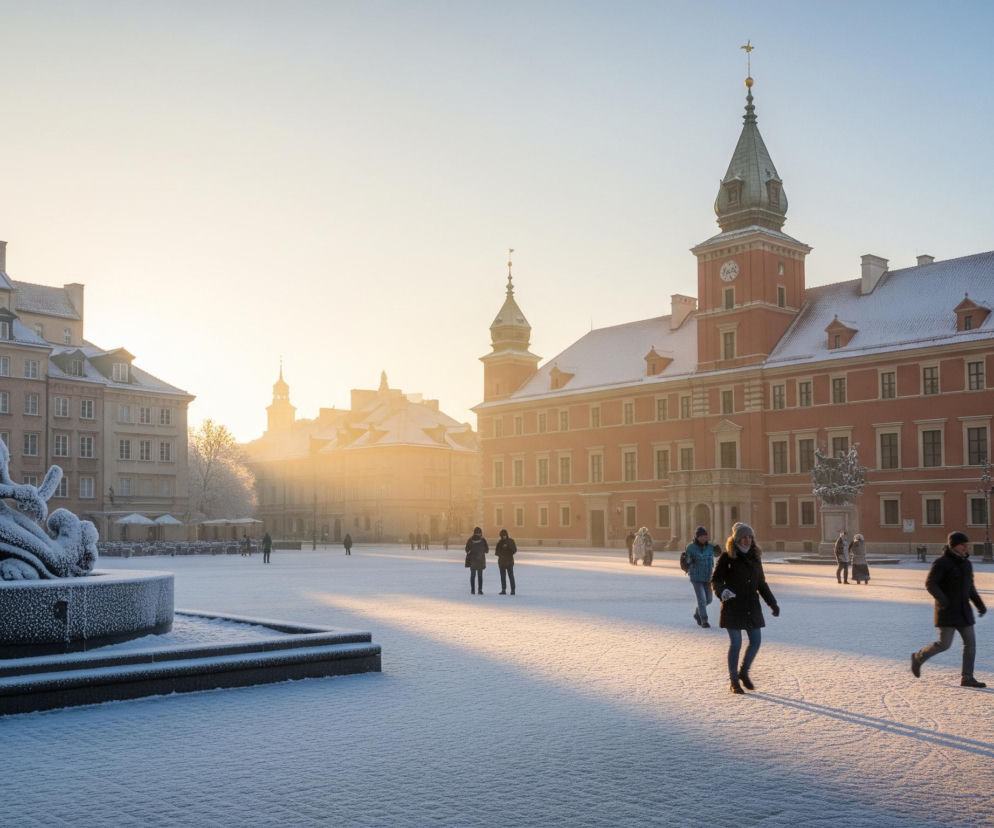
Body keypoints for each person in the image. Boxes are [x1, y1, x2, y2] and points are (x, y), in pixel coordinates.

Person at [911, 531, 987, 688]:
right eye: (962, 545)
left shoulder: (966, 563)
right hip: (947, 611)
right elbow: (930, 583)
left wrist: (979, 605)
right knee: (944, 644)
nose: (966, 547)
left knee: (970, 644)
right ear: (953, 546)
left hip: (964, 611)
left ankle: (967, 678)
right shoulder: (941, 562)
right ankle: (918, 658)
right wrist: (943, 600)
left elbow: (970, 588)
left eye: (967, 545)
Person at [711, 523, 780, 694]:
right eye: (743, 537)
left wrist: (772, 603)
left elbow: (761, 583)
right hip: (733, 605)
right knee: (736, 644)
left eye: (749, 537)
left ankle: (744, 671)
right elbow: (716, 580)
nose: (747, 540)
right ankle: (734, 681)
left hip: (751, 605)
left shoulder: (755, 556)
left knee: (755, 641)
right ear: (736, 539)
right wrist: (722, 591)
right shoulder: (727, 557)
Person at [686, 526, 717, 628]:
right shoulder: (690, 547)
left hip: (708, 577)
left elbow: (717, 554)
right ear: (697, 537)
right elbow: (687, 560)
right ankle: (704, 620)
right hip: (696, 577)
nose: (704, 538)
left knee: (709, 599)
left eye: (705, 536)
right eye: (702, 536)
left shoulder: (710, 547)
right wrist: (689, 561)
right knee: (702, 600)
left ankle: (697, 612)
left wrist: (718, 548)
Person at [465, 527, 488, 595]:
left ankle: (474, 590)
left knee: (474, 576)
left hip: (474, 561)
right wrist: (481, 552)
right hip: (478, 560)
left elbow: (467, 549)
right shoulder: (483, 540)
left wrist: (471, 552)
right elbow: (487, 550)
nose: (478, 534)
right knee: (478, 576)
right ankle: (478, 590)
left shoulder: (470, 540)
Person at [495, 529, 517, 595]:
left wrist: (508, 548)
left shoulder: (511, 541)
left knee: (511, 576)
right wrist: (502, 551)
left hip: (509, 562)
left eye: (504, 535)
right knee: (503, 577)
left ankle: (513, 590)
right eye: (502, 535)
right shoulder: (499, 543)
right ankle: (503, 590)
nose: (504, 536)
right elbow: (496, 552)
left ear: (507, 535)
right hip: (502, 562)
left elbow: (514, 550)